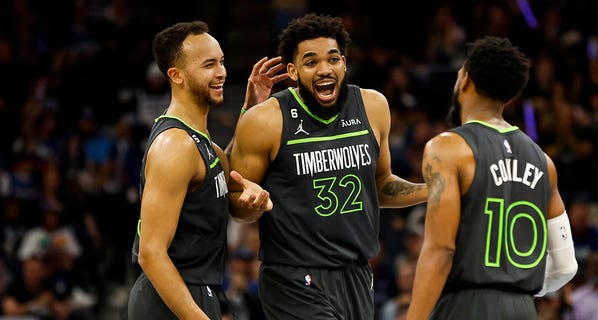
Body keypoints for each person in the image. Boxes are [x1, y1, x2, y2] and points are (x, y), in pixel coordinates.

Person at [228, 13, 428, 319]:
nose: (324, 69)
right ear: (293, 71)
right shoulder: (265, 120)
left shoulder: (373, 107)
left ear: (344, 64)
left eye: (333, 59)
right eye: (311, 62)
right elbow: (237, 207)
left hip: (356, 273)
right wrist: (253, 204)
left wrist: (433, 190)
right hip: (293, 277)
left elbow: (380, 186)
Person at [406, 36, 578, 319]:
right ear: (510, 96)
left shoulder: (448, 148)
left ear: (465, 80)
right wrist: (514, 283)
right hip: (523, 308)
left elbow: (441, 250)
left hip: (466, 306)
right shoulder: (544, 162)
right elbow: (565, 266)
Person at [127, 21, 288, 319]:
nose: (222, 72)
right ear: (176, 75)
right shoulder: (175, 145)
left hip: (200, 289)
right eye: (209, 64)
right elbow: (151, 253)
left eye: (222, 62)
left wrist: (250, 109)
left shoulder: (202, 145)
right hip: (168, 297)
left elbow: (224, 171)